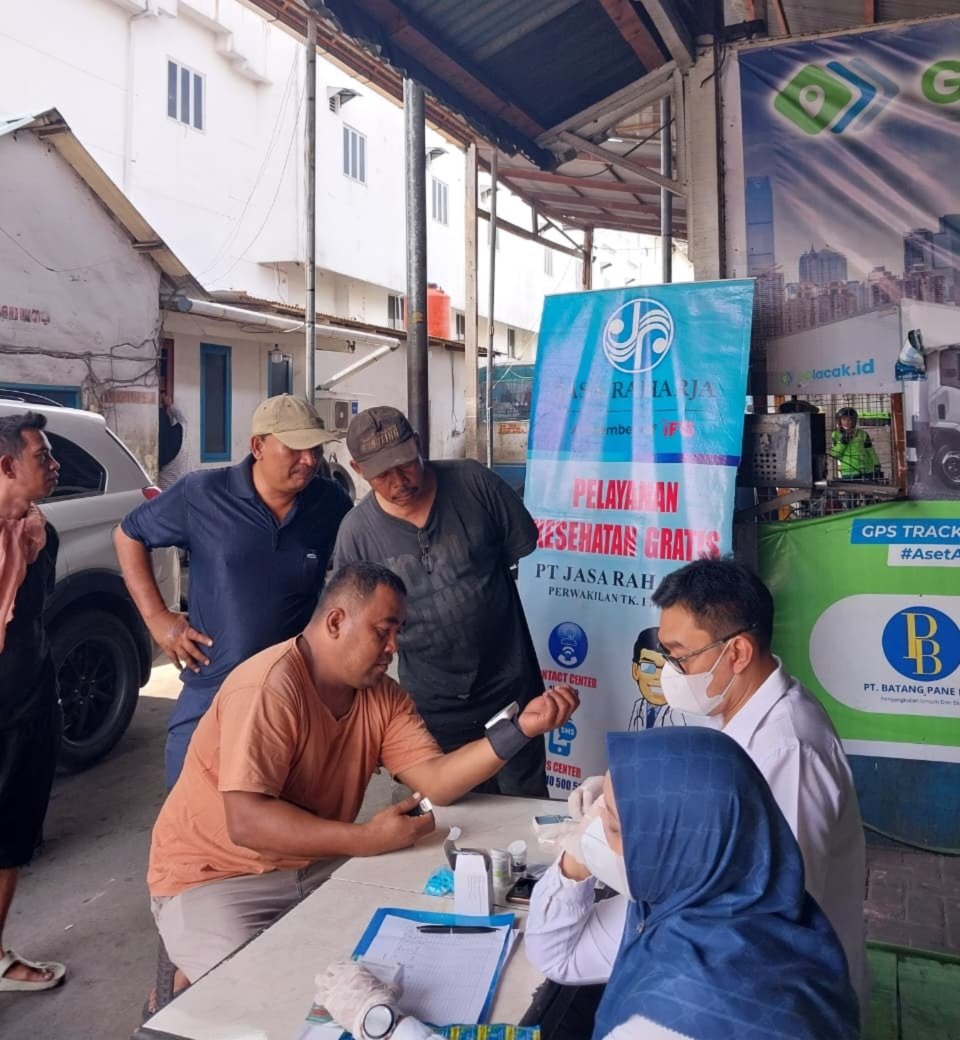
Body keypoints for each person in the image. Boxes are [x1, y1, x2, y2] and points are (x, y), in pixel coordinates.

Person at [147, 562, 579, 986]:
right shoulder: (268, 687)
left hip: (312, 862)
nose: (394, 647)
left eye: (398, 633)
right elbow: (246, 823)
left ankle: (193, 968)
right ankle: (180, 978)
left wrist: (521, 729)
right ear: (336, 622)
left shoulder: (381, 696)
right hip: (214, 878)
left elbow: (437, 781)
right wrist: (365, 839)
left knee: (411, 935)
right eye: (383, 631)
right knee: (251, 995)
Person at [320, 729, 859, 1040]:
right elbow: (557, 955)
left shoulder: (677, 1014)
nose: (595, 825)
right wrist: (581, 854)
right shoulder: (739, 900)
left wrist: (382, 1024)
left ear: (676, 846)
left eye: (616, 824)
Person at [559, 558, 867, 1016]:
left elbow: (775, 901)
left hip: (775, 998)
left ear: (737, 653)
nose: (670, 671)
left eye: (681, 656)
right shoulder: (740, 714)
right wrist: (622, 797)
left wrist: (615, 857)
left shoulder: (787, 750)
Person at [116, 394, 352, 788]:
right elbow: (128, 534)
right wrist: (158, 619)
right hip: (213, 690)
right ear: (258, 446)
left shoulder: (329, 503)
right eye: (295, 448)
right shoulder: (203, 494)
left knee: (285, 811)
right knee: (192, 807)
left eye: (315, 449)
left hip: (294, 693)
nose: (310, 460)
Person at [333, 406, 547, 797]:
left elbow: (519, 546)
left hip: (511, 691)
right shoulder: (356, 534)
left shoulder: (474, 483)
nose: (399, 481)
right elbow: (358, 630)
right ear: (358, 470)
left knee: (526, 805)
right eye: (382, 474)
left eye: (405, 464)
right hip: (430, 704)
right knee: (450, 813)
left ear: (419, 444)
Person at [0, 411, 66, 993]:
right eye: (42, 457)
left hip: (28, 707)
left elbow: (33, 619)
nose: (55, 465)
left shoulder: (41, 534)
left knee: (12, 836)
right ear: (7, 465)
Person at [830, 406, 881, 480]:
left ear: (854, 421)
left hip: (867, 471)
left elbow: (870, 450)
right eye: (844, 419)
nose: (847, 422)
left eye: (850, 419)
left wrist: (876, 464)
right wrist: (843, 442)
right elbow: (834, 454)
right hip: (849, 472)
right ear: (839, 420)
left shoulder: (862, 434)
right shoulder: (835, 435)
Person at [157, 393, 191, 490]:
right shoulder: (180, 435)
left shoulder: (157, 449)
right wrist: (170, 405)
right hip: (186, 487)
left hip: (166, 492)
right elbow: (184, 421)